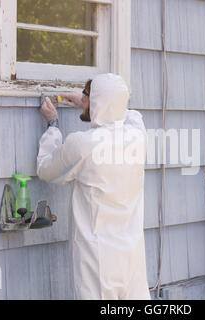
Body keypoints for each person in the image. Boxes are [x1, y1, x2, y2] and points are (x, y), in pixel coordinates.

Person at [37, 73, 151, 300]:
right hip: (131, 257)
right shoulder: (138, 137)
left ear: (97, 101)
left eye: (86, 96)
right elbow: (130, 114)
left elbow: (46, 169)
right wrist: (94, 103)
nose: (83, 99)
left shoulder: (83, 144)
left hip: (97, 259)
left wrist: (53, 124)